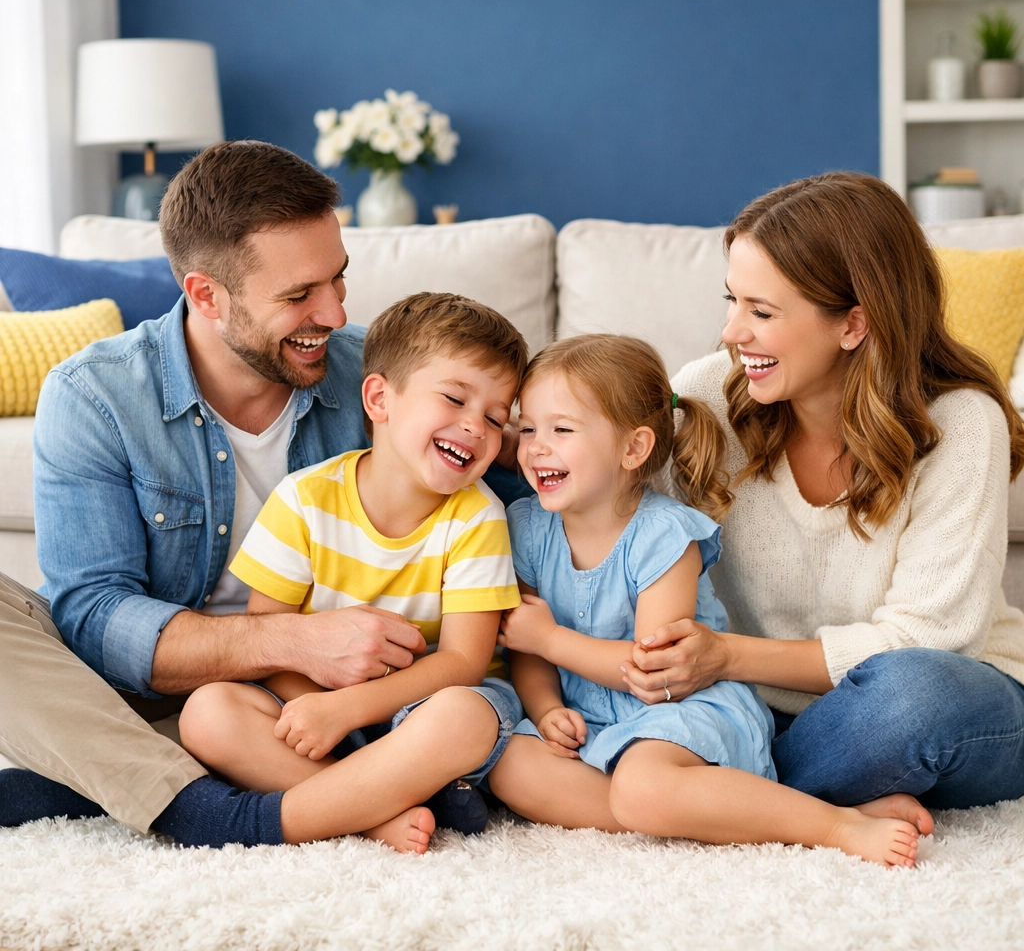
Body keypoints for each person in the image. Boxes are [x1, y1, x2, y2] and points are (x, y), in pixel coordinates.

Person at [0, 141, 525, 846]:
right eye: (298, 295)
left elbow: (517, 482)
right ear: (205, 294)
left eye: (337, 280)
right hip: (164, 686)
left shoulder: (381, 378)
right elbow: (94, 617)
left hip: (334, 702)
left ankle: (122, 776)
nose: (335, 313)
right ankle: (206, 806)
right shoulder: (94, 395)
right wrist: (294, 641)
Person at [621, 171, 1024, 813]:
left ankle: (739, 797)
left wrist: (724, 656)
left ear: (853, 324)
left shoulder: (962, 423)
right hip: (757, 707)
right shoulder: (706, 396)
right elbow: (600, 485)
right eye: (732, 301)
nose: (731, 332)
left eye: (761, 312)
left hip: (940, 701)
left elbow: (930, 640)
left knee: (914, 697)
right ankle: (812, 795)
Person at [487, 334, 922, 867]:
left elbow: (653, 671)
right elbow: (525, 650)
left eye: (561, 429)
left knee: (642, 786)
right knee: (510, 766)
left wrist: (551, 638)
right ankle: (714, 811)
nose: (534, 446)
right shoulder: (526, 526)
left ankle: (832, 823)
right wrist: (547, 707)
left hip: (680, 708)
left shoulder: (665, 536)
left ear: (633, 448)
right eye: (527, 427)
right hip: (590, 717)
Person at [177, 292, 527, 853]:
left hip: (423, 710)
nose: (474, 427)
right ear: (380, 398)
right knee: (208, 713)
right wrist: (314, 708)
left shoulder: (478, 516)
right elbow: (269, 641)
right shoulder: (305, 499)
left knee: (467, 715)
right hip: (319, 706)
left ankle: (350, 798)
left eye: (494, 418)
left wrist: (348, 709)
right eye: (455, 399)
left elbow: (463, 662)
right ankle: (369, 812)